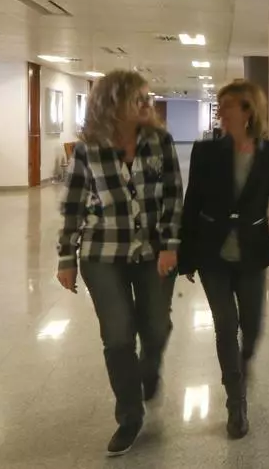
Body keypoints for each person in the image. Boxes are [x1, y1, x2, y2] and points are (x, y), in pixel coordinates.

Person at [56, 71, 182, 456]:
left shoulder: (160, 142)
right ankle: (129, 416)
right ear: (113, 103)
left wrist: (170, 245)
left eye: (147, 97)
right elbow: (73, 206)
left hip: (153, 251)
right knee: (117, 335)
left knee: (155, 326)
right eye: (138, 98)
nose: (147, 104)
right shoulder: (87, 150)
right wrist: (66, 258)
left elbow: (173, 197)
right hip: (102, 254)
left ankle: (149, 368)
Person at [179, 79, 269, 439]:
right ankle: (236, 400)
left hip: (252, 251)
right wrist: (185, 254)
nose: (221, 112)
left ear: (248, 111)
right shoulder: (205, 151)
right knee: (226, 325)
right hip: (212, 252)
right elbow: (192, 203)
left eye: (227, 106)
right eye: (220, 106)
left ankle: (242, 366)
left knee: (252, 326)